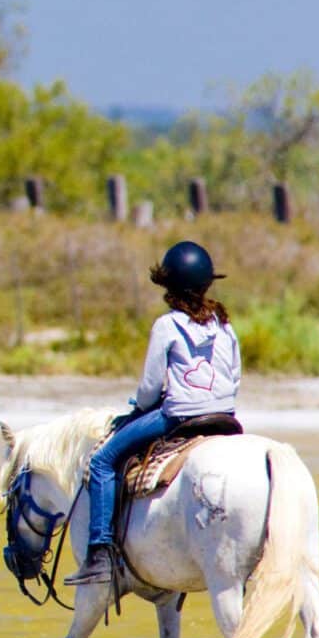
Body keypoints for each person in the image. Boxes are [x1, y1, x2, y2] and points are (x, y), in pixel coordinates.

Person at [65, 240, 240, 586]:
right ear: (206, 283)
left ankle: (99, 552)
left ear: (169, 286)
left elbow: (148, 390)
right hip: (226, 416)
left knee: (101, 461)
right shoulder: (224, 324)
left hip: (179, 417)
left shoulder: (167, 326)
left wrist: (141, 407)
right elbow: (234, 376)